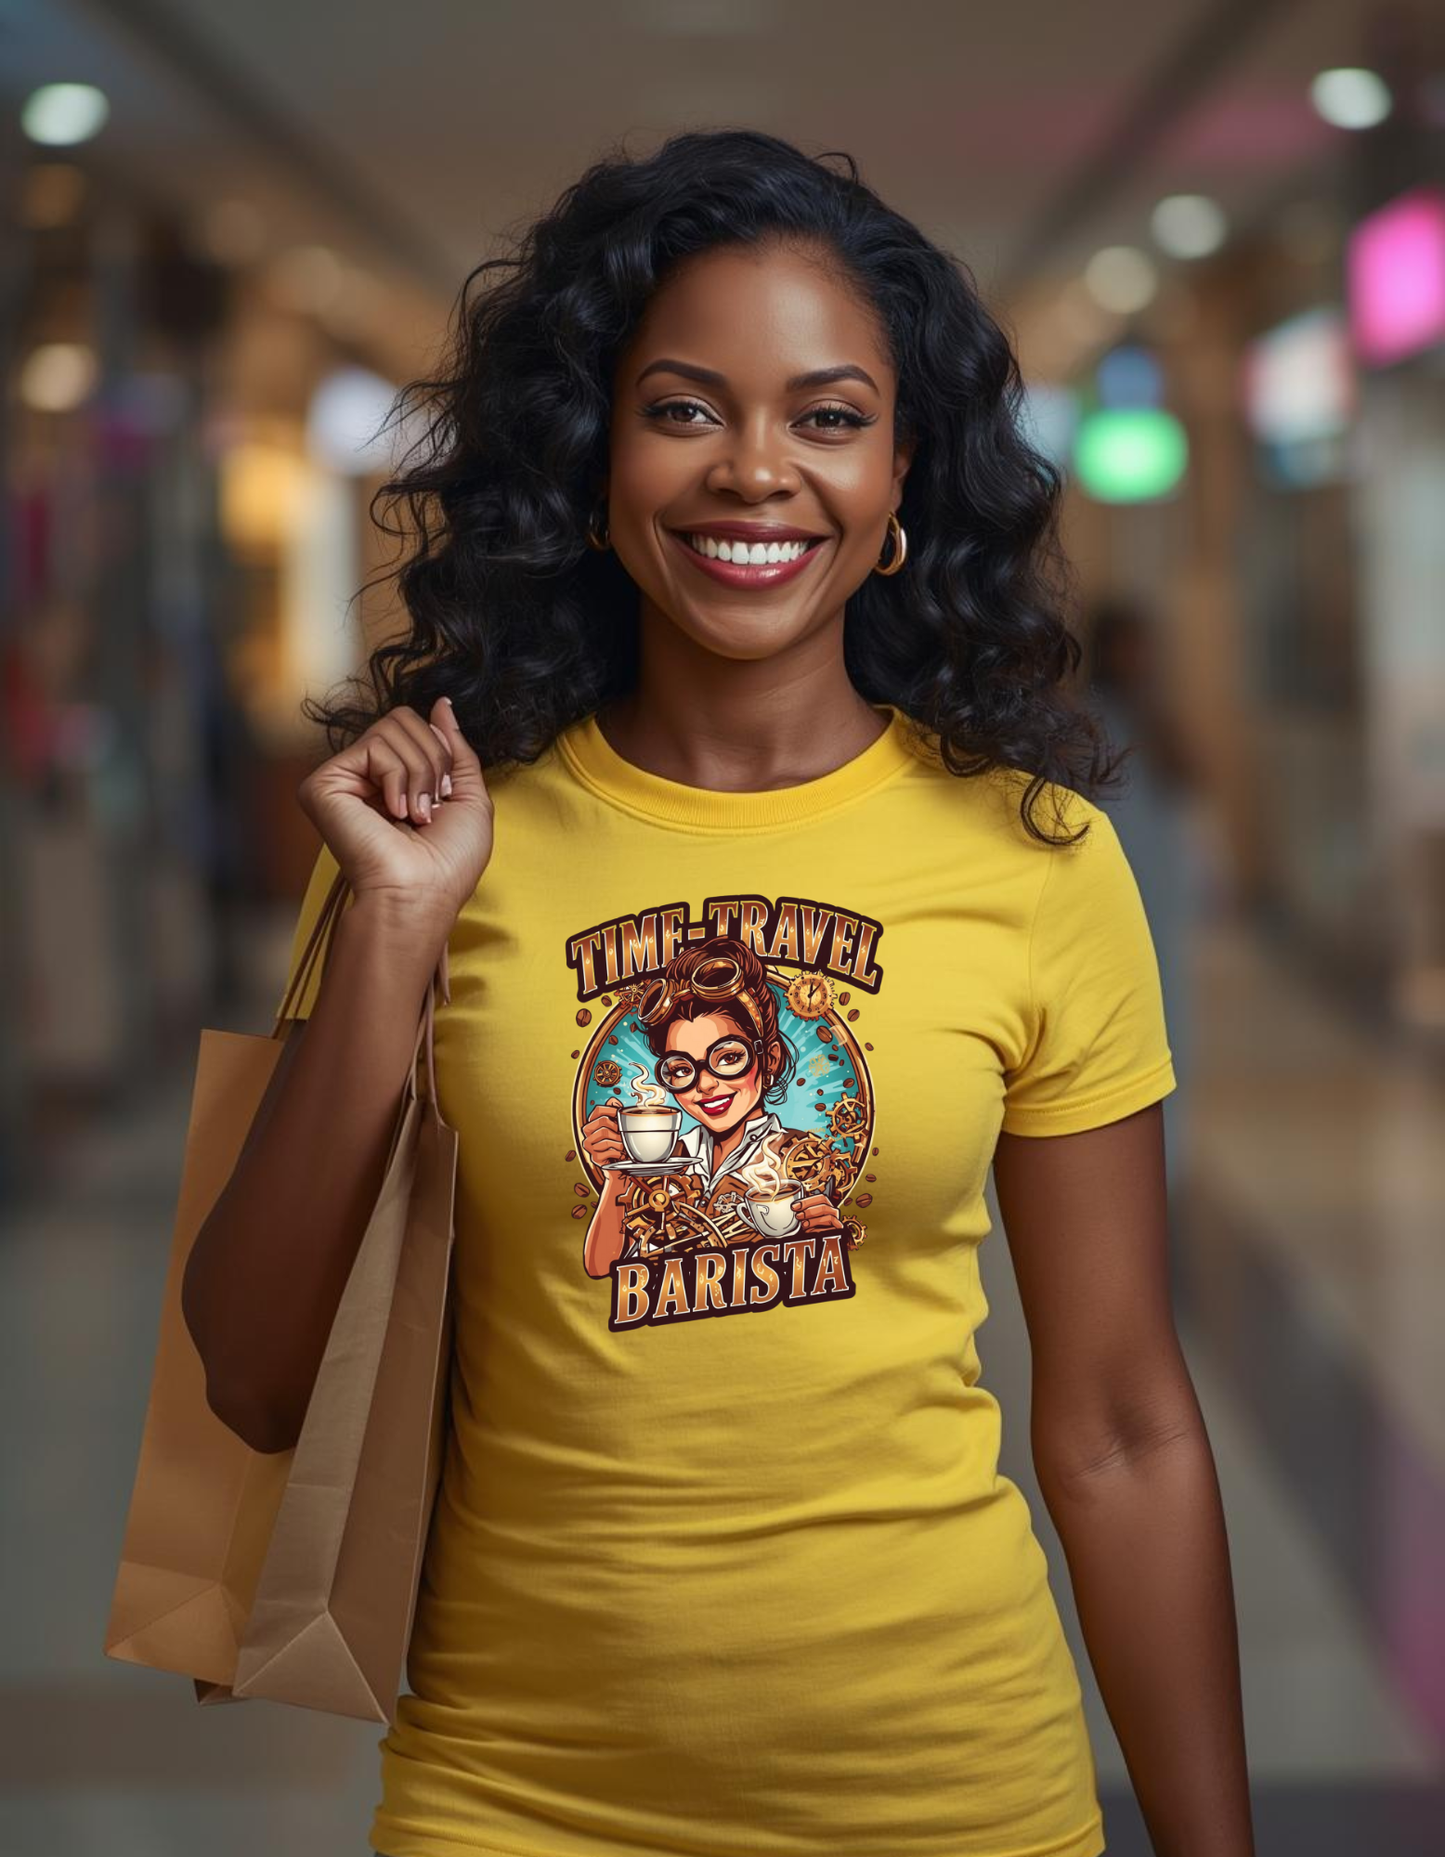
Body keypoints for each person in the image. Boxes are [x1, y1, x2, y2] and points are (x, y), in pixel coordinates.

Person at [181, 129, 1254, 1857]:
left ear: (904, 475)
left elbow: (1125, 1426)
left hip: (955, 1791)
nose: (756, 471)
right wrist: (391, 932)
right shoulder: (428, 838)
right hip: (509, 1799)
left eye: (828, 416)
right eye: (685, 408)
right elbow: (249, 1372)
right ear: (591, 462)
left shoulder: (1033, 858)